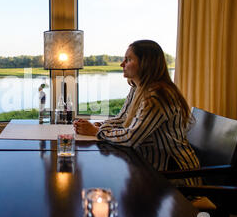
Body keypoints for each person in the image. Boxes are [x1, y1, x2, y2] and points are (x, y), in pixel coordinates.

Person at [73, 40, 200, 177]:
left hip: (173, 176)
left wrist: (97, 132)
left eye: (128, 60)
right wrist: (99, 125)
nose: (122, 64)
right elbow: (122, 119)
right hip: (147, 166)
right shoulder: (137, 88)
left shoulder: (157, 96)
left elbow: (131, 138)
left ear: (146, 63)